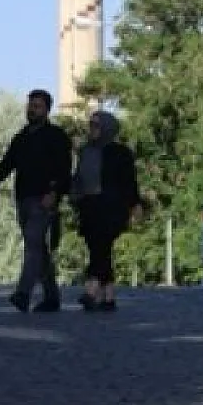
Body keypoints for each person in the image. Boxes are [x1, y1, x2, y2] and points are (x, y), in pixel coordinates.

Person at [0, 90, 73, 314]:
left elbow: (64, 169)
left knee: (33, 244)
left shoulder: (56, 136)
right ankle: (51, 297)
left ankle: (23, 293)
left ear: (47, 110)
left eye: (37, 106)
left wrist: (54, 193)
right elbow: (8, 162)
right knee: (38, 248)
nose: (32, 110)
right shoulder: (22, 137)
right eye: (30, 105)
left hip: (43, 200)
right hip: (23, 198)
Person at [70, 110, 141, 313]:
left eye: (96, 125)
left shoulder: (120, 153)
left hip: (111, 208)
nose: (91, 129)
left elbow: (129, 182)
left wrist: (135, 204)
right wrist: (75, 195)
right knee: (99, 249)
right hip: (89, 207)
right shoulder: (86, 151)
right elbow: (79, 176)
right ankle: (108, 296)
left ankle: (92, 290)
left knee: (100, 247)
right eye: (90, 125)